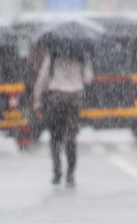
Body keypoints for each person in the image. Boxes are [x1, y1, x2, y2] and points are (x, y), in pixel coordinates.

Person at [33, 46, 93, 186]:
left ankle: (57, 170)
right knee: (71, 137)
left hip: (56, 97)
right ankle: (70, 174)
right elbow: (88, 78)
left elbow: (42, 80)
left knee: (55, 137)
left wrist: (37, 102)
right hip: (74, 98)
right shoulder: (81, 55)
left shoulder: (52, 56)